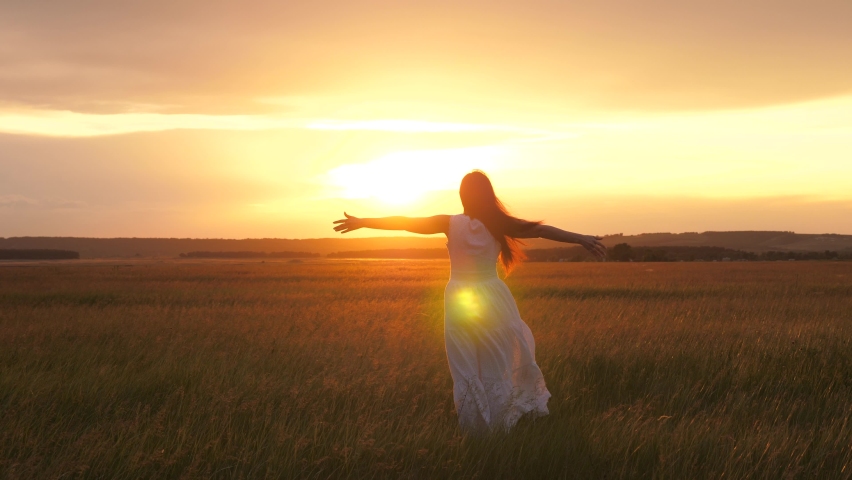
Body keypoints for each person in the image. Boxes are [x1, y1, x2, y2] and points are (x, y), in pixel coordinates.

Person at [333, 170, 607, 433]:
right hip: (493, 296)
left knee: (465, 365)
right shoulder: (499, 224)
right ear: (489, 195)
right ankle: (502, 421)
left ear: (463, 195)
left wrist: (363, 221)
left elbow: (405, 221)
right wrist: (580, 238)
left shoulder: (450, 223)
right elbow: (540, 230)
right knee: (496, 361)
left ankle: (479, 428)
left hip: (459, 298)